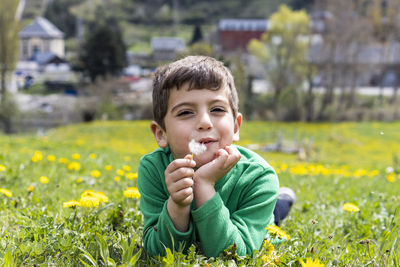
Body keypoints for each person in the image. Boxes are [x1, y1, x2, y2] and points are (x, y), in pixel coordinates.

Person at [138, 56, 295, 258]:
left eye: (217, 109)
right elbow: (157, 253)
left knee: (274, 216)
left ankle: (282, 200)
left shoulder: (259, 177)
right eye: (185, 112)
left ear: (236, 126)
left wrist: (203, 185)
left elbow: (235, 255)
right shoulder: (154, 169)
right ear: (161, 133)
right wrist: (177, 204)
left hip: (259, 214)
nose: (204, 122)